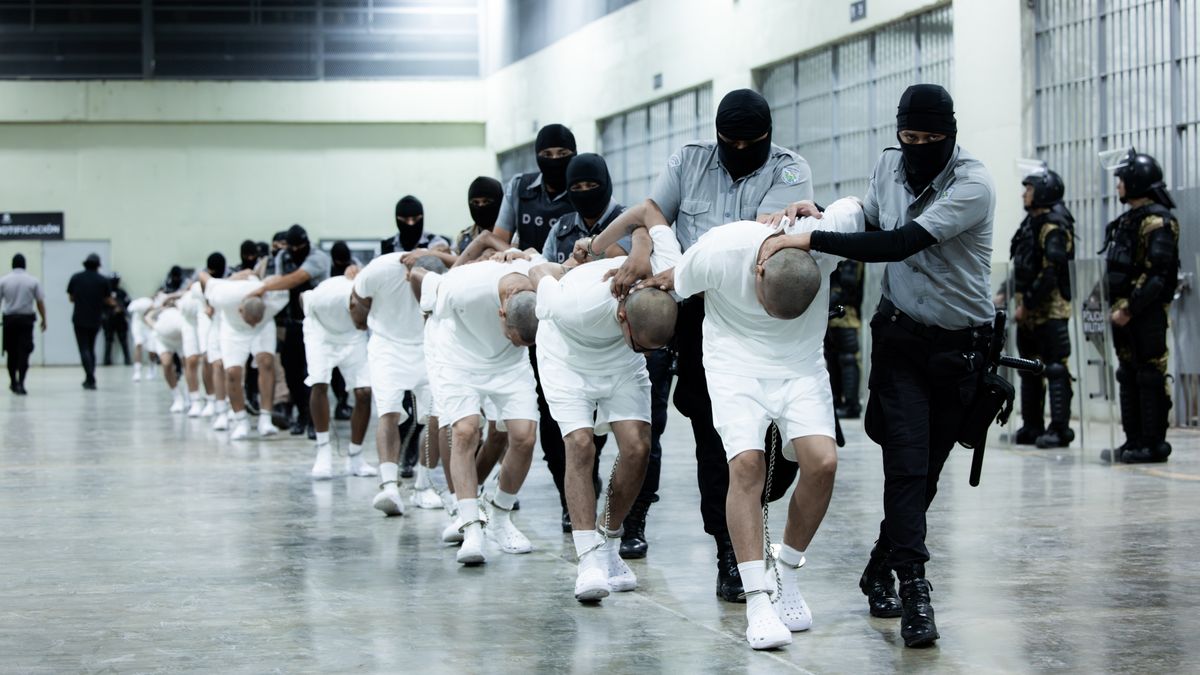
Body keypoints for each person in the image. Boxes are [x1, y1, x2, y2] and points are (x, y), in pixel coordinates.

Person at [766, 84, 995, 648]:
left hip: (959, 348)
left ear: (951, 134)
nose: (916, 147)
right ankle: (915, 588)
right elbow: (871, 216)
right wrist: (820, 212)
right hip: (900, 342)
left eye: (929, 139)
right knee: (907, 467)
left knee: (928, 475)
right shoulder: (891, 165)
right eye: (908, 136)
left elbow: (897, 243)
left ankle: (878, 567)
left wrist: (811, 237)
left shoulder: (972, 184)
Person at [588, 88, 814, 601]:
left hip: (763, 321)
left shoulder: (788, 169)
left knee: (781, 446)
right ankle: (731, 554)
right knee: (720, 445)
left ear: (767, 137)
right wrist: (637, 248)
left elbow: (763, 240)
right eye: (728, 142)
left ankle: (754, 519)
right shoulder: (688, 162)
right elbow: (651, 213)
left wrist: (684, 263)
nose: (738, 150)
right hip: (700, 322)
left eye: (749, 142)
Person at [651, 198, 862, 649]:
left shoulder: (826, 241)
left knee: (823, 463)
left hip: (801, 365)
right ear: (759, 272)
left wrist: (819, 207)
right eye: (769, 307)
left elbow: (865, 206)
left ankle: (786, 575)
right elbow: (674, 280)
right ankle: (757, 599)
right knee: (746, 465)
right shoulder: (720, 250)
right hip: (735, 363)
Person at [529, 216, 680, 602]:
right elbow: (538, 270)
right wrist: (562, 268)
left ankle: (610, 544)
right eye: (642, 346)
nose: (648, 355)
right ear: (623, 314)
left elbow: (646, 213)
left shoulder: (665, 276)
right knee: (580, 444)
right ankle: (588, 561)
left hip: (617, 358)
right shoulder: (569, 305)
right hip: (565, 354)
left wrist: (641, 250)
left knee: (638, 447)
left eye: (653, 351)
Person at [412, 251, 542, 565]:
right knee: (466, 429)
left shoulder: (541, 276)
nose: (516, 342)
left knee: (524, 437)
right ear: (501, 312)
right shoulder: (459, 285)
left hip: (508, 368)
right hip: (458, 357)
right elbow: (419, 275)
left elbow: (560, 262)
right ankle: (470, 527)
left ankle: (499, 516)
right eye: (513, 336)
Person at [1101, 149, 1180, 464]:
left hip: (1144, 314)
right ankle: (1132, 441)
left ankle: (1152, 443)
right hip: (1121, 312)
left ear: (1136, 181)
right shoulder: (1127, 221)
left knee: (1149, 375)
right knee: (1128, 374)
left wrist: (1129, 309)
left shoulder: (1157, 221)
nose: (1118, 185)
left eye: (1121, 179)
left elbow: (1158, 275)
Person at [351, 252, 446, 514]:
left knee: (437, 416)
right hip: (387, 345)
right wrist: (359, 320)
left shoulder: (440, 270)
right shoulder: (379, 269)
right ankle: (389, 486)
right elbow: (356, 297)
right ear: (407, 273)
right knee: (389, 412)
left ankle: (424, 486)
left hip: (425, 344)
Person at [379, 197, 453, 477]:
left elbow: (449, 259)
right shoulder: (387, 245)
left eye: (415, 219)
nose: (411, 224)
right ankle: (406, 454)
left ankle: (425, 467)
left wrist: (427, 253)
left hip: (429, 321)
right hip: (398, 325)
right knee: (401, 404)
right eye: (405, 220)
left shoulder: (438, 241)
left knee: (430, 404)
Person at [1009, 168, 1076, 448]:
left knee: (1056, 369)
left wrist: (1028, 303)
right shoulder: (1029, 225)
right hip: (1027, 311)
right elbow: (1021, 267)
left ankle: (1059, 429)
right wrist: (1006, 294)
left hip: (1051, 310)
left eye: (1030, 188)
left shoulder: (1054, 227)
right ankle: (1032, 425)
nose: (1025, 193)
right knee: (1028, 369)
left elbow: (1052, 271)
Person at [255, 224, 331, 439]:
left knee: (313, 373)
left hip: (316, 322)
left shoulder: (318, 257)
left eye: (300, 246)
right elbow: (281, 282)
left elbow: (296, 278)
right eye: (292, 247)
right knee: (291, 372)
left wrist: (264, 287)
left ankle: (314, 421)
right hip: (291, 322)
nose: (296, 250)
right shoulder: (283, 257)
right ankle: (302, 414)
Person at [302, 271, 377, 480]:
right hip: (320, 332)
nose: (365, 323)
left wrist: (360, 325)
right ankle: (323, 450)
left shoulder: (367, 296)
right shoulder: (324, 297)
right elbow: (303, 298)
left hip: (352, 336)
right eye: (363, 318)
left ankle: (356, 456)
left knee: (364, 392)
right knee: (319, 383)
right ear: (352, 306)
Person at [206, 273, 289, 440]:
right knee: (232, 372)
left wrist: (264, 282)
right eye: (250, 320)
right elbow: (203, 277)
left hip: (264, 327)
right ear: (240, 309)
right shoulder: (224, 296)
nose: (252, 324)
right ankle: (240, 421)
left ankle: (265, 419)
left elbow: (285, 279)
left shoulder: (276, 299)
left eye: (254, 320)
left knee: (266, 363)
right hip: (233, 328)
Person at [0, 254, 46, 395]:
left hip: (9, 320)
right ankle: (21, 383)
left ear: (12, 264)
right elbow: (39, 302)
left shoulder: (4, 280)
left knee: (11, 352)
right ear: (25, 264)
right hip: (26, 321)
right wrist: (44, 319)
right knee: (24, 353)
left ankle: (13, 381)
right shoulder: (33, 281)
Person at [67, 253, 114, 390]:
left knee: (83, 348)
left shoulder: (76, 278)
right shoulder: (103, 280)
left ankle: (90, 377)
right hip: (96, 318)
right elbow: (108, 300)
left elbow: (71, 298)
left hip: (79, 318)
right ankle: (90, 377)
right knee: (91, 347)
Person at [825, 260, 864, 418]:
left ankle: (851, 404)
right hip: (832, 313)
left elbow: (848, 283)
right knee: (832, 358)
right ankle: (837, 401)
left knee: (848, 359)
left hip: (846, 313)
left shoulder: (850, 252)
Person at [328, 241, 361, 421]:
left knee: (349, 369)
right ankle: (341, 401)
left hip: (351, 324)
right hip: (330, 323)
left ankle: (344, 401)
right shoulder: (328, 268)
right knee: (333, 371)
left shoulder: (354, 266)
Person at [144, 302, 190, 412]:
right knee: (166, 364)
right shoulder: (160, 313)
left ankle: (189, 395)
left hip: (182, 339)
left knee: (188, 366)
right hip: (163, 339)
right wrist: (159, 307)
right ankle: (177, 397)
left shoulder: (181, 309)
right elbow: (147, 317)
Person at [456, 177, 505, 254]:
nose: (481, 206)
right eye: (475, 203)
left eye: (486, 202)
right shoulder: (464, 237)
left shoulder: (513, 235)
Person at [102, 273, 132, 367]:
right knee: (108, 340)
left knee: (123, 340)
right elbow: (101, 305)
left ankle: (127, 359)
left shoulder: (122, 292)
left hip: (120, 319)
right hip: (108, 320)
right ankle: (107, 360)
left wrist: (121, 308)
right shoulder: (105, 293)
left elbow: (128, 304)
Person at [127, 295, 157, 382]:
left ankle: (151, 367)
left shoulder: (155, 305)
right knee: (138, 344)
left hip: (149, 325)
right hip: (138, 324)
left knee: (152, 349)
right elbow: (130, 309)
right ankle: (137, 371)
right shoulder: (138, 304)